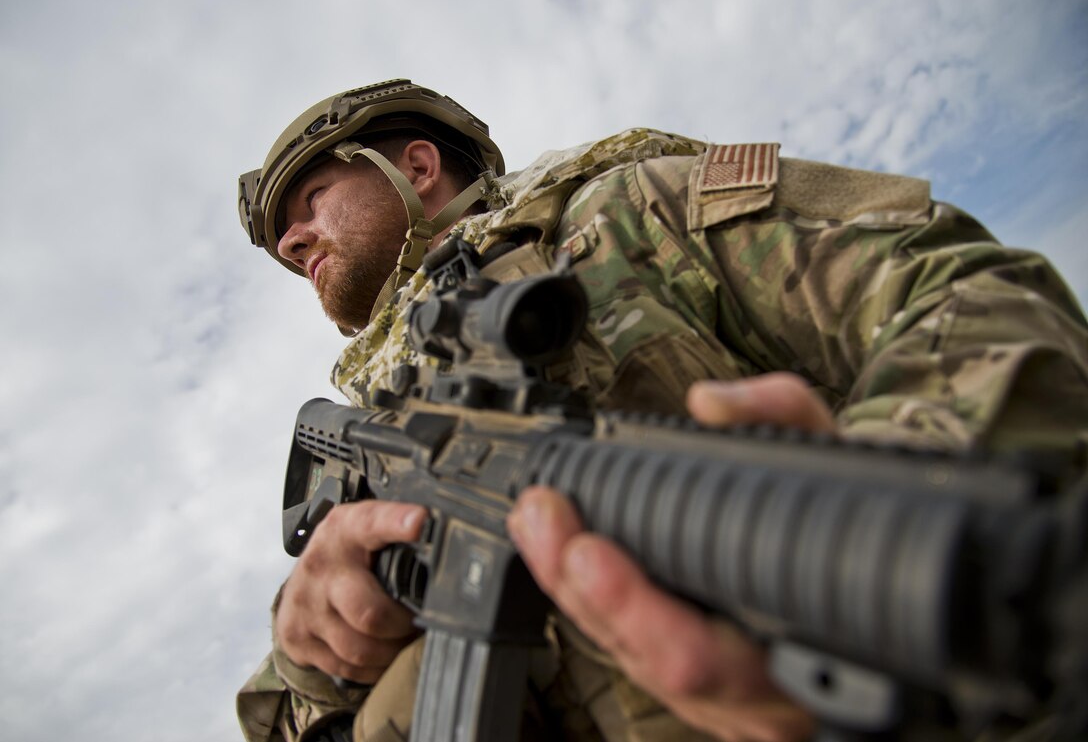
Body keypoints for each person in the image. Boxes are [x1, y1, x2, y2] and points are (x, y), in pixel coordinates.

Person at [234, 79, 1088, 742]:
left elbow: (967, 293)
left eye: (311, 198)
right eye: (283, 239)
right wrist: (307, 648)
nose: (291, 241)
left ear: (416, 166)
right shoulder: (379, 433)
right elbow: (279, 714)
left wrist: (881, 521)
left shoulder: (628, 216)